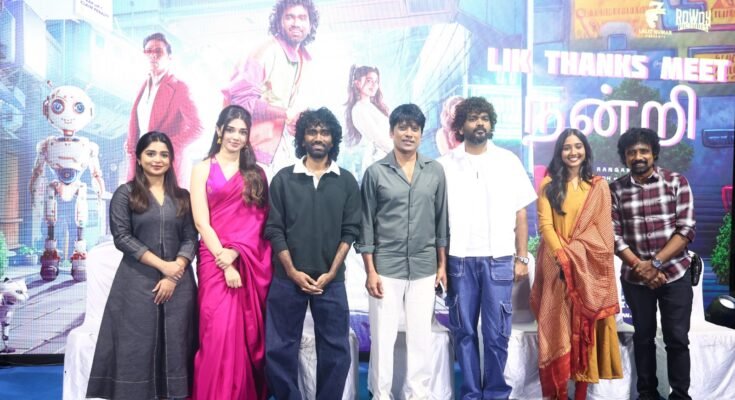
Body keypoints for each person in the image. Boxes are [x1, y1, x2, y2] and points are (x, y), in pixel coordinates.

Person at [437, 97, 536, 399]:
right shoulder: (444, 165)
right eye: (472, 118)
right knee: (464, 332)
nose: (479, 123)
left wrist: (521, 258)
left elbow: (521, 214)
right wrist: (441, 264)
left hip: (499, 259)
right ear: (460, 126)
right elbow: (438, 220)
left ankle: (495, 393)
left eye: (484, 118)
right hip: (459, 260)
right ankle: (470, 393)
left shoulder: (508, 161)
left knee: (496, 333)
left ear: (491, 124)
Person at [87, 132, 197, 399]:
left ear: (171, 160)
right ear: (138, 158)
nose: (157, 160)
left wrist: (173, 273)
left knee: (178, 342)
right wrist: (164, 266)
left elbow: (190, 237)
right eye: (150, 153)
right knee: (136, 343)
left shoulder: (183, 196)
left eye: (164, 154)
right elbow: (122, 237)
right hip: (136, 282)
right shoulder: (125, 194)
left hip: (179, 284)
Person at [264, 107, 361, 399]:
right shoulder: (283, 179)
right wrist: (292, 272)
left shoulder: (346, 181)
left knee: (336, 350)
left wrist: (332, 272)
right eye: (312, 131)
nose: (318, 137)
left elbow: (350, 231)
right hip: (287, 279)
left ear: (334, 138)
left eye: (325, 132)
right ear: (302, 138)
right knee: (279, 349)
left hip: (331, 281)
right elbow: (274, 229)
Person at [357, 103, 448, 400]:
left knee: (420, 336)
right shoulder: (375, 173)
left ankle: (416, 393)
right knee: (383, 337)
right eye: (403, 127)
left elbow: (441, 220)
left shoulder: (434, 171)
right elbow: (366, 224)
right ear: (392, 132)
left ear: (421, 134)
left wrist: (442, 265)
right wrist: (370, 271)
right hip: (385, 266)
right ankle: (381, 394)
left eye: (415, 128)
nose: (409, 133)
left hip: (424, 266)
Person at [529, 128, 622, 400]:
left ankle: (580, 394)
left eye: (578, 146)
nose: (573, 152)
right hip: (555, 265)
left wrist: (577, 255)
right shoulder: (548, 185)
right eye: (567, 147)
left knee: (584, 328)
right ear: (560, 152)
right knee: (556, 327)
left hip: (587, 266)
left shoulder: (598, 186)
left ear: (585, 150)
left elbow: (602, 230)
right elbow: (545, 225)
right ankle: (558, 394)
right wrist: (563, 256)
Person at [189, 105, 272, 399]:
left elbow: (260, 220)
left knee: (243, 333)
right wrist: (224, 262)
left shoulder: (256, 174)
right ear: (219, 131)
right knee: (216, 331)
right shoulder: (201, 169)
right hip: (213, 259)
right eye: (231, 129)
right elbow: (201, 221)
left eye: (243, 131)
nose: (236, 136)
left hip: (246, 259)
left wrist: (235, 254)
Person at [610, 128, 696, 400]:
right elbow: (613, 235)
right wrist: (642, 268)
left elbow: (686, 229)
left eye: (643, 151)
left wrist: (655, 263)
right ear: (625, 157)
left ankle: (680, 395)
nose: (638, 156)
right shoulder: (615, 189)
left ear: (654, 153)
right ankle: (647, 394)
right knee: (643, 337)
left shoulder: (676, 182)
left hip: (675, 274)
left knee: (677, 338)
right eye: (632, 152)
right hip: (636, 279)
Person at [224, 0, 319, 178]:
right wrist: (285, 113)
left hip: (280, 153)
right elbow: (241, 104)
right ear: (279, 21)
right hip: (251, 153)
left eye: (302, 18)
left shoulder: (303, 58)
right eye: (289, 17)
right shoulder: (264, 51)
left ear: (310, 24)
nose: (296, 23)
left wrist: (294, 120)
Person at [126, 32, 203, 187]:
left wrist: (164, 147)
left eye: (159, 51)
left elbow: (198, 128)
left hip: (167, 171)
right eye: (148, 51)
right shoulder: (141, 87)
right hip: (141, 169)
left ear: (169, 57)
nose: (153, 55)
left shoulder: (180, 87)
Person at [344, 65, 393, 176]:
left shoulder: (372, 106)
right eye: (369, 81)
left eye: (376, 81)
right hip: (378, 164)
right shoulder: (358, 109)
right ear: (357, 83)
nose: (374, 85)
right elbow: (377, 138)